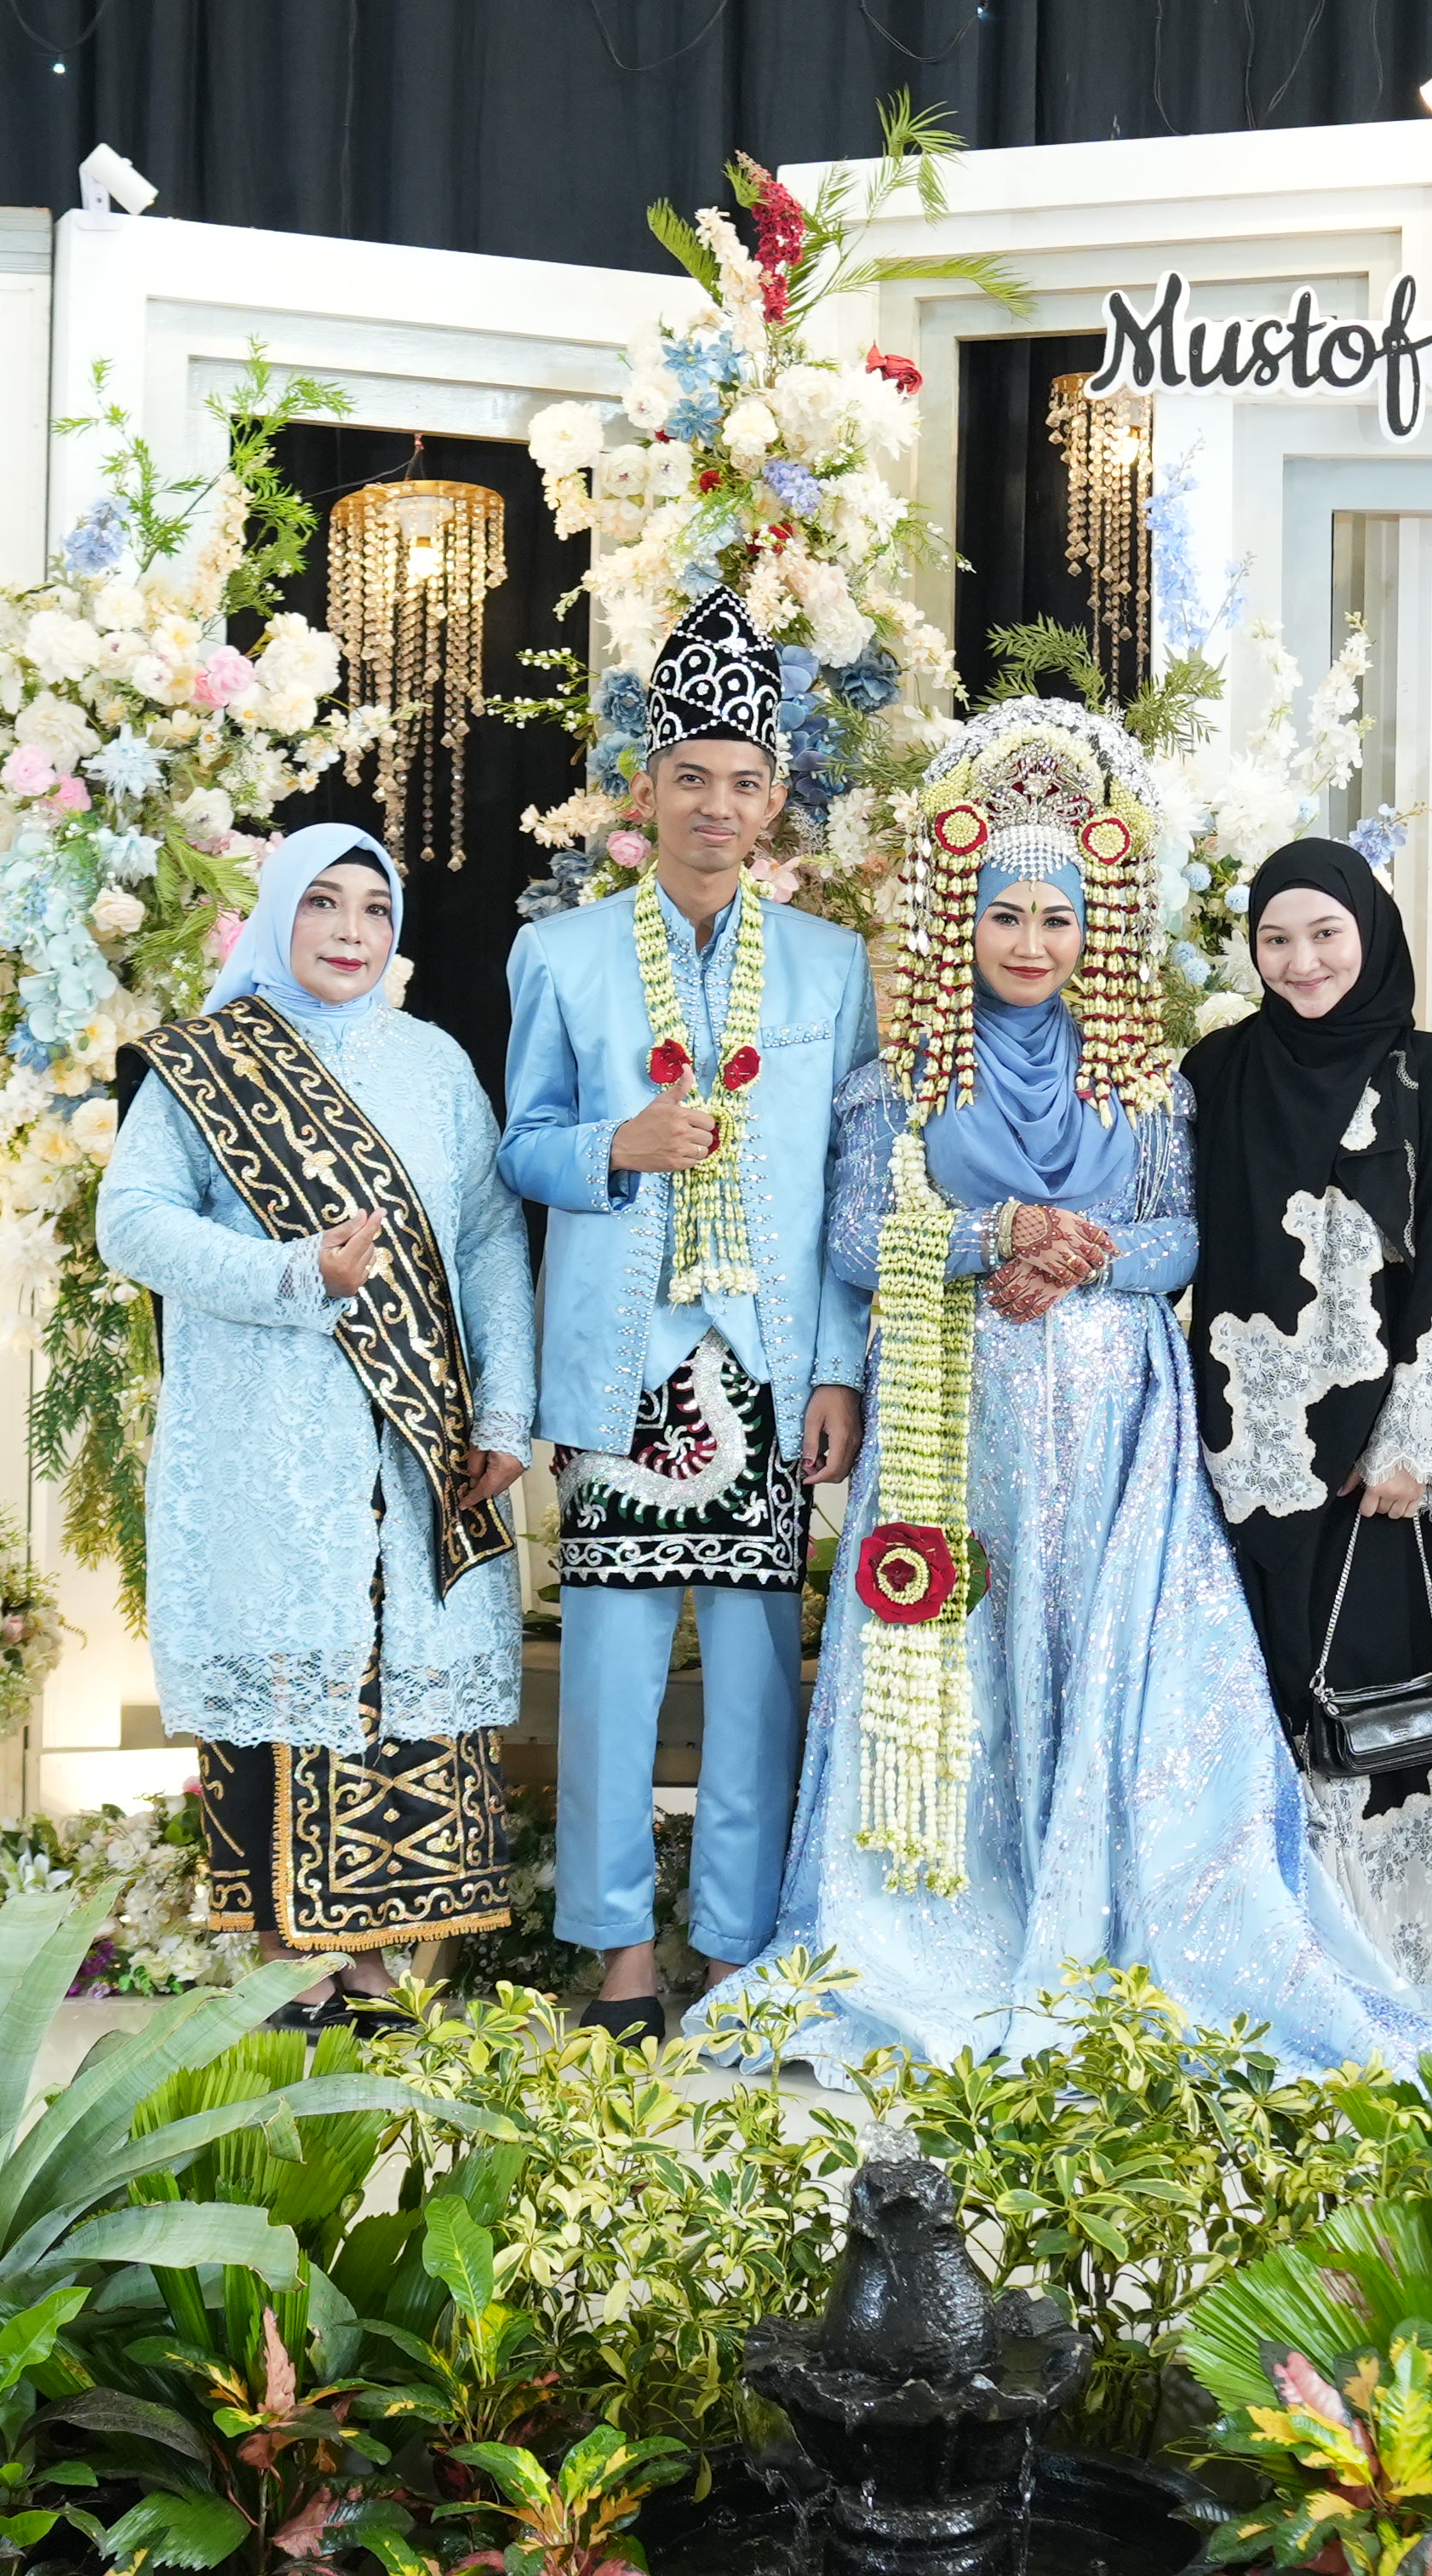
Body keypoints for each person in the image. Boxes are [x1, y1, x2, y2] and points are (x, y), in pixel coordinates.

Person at [700, 703, 1432, 2072]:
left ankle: (1119, 1910)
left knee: (1115, 1664)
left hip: (1120, 1418)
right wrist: (995, 1235)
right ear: (966, 921)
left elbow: (1185, 1239)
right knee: (963, 1657)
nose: (1032, 943)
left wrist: (1092, 1256)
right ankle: (945, 1925)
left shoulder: (1143, 1080)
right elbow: (855, 1237)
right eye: (1006, 916)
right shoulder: (908, 1075)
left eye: (1058, 919)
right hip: (958, 1418)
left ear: (1091, 931)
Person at [499, 585, 877, 2042]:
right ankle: (619, 1966)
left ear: (775, 800)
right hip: (622, 1362)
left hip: (766, 1364)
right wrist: (617, 1144)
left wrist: (838, 1367)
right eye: (690, 778)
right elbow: (520, 1148)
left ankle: (733, 1956)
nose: (716, 805)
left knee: (757, 1682)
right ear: (644, 788)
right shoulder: (562, 954)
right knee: (606, 1675)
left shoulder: (831, 965)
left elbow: (850, 1183)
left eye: (743, 782)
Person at [98, 826, 534, 2026]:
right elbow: (131, 1221)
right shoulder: (207, 1065)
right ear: (275, 917)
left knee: (399, 1665)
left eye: (374, 909)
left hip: (418, 1431)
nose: (351, 931)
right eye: (323, 904)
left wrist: (505, 1407)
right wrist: (295, 1274)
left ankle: (372, 1951)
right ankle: (295, 1949)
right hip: (266, 1432)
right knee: (296, 1659)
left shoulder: (433, 1063)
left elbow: (490, 1237)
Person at [1182, 838, 1432, 1996]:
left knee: (1373, 1709)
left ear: (1371, 933)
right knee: (1248, 1699)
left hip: (1377, 1463)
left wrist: (1416, 1437)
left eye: (1326, 934)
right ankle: (1261, 1972)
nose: (1301, 960)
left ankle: (1386, 1974)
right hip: (1235, 1443)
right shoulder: (1215, 1069)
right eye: (1276, 938)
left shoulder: (1431, 1075)